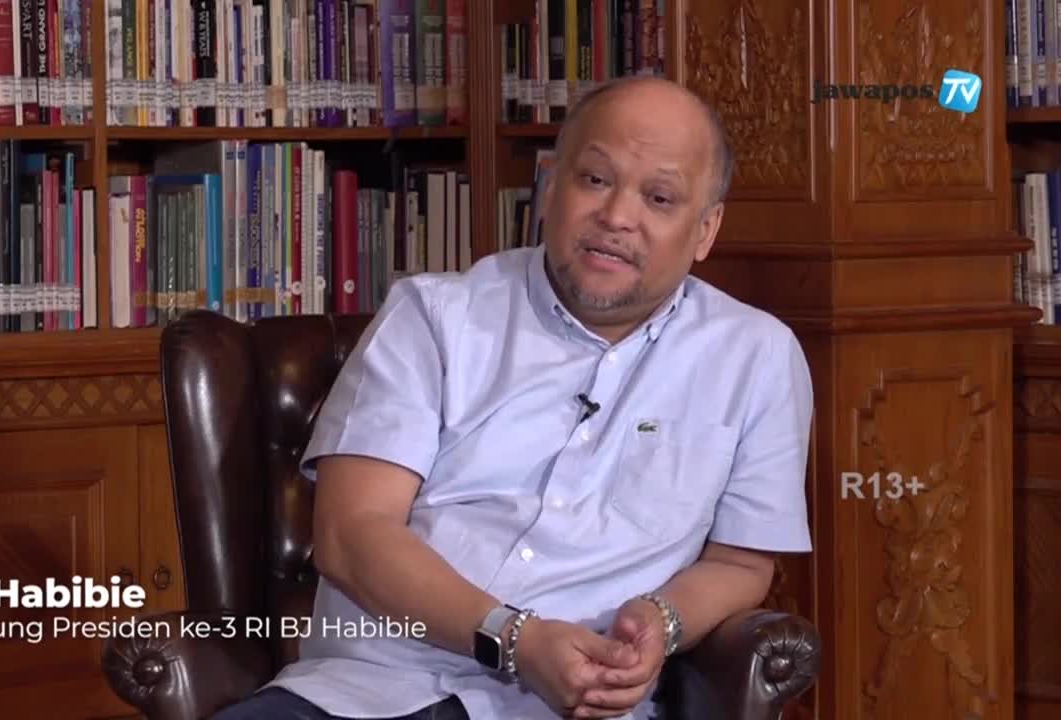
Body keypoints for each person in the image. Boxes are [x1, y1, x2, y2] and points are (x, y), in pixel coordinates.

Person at [212, 75, 814, 720]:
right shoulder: (436, 317)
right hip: (370, 691)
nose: (616, 217)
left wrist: (662, 620)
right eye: (595, 180)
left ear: (705, 229)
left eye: (660, 197)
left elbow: (740, 563)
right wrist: (514, 639)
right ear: (551, 186)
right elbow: (351, 533)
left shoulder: (758, 357)